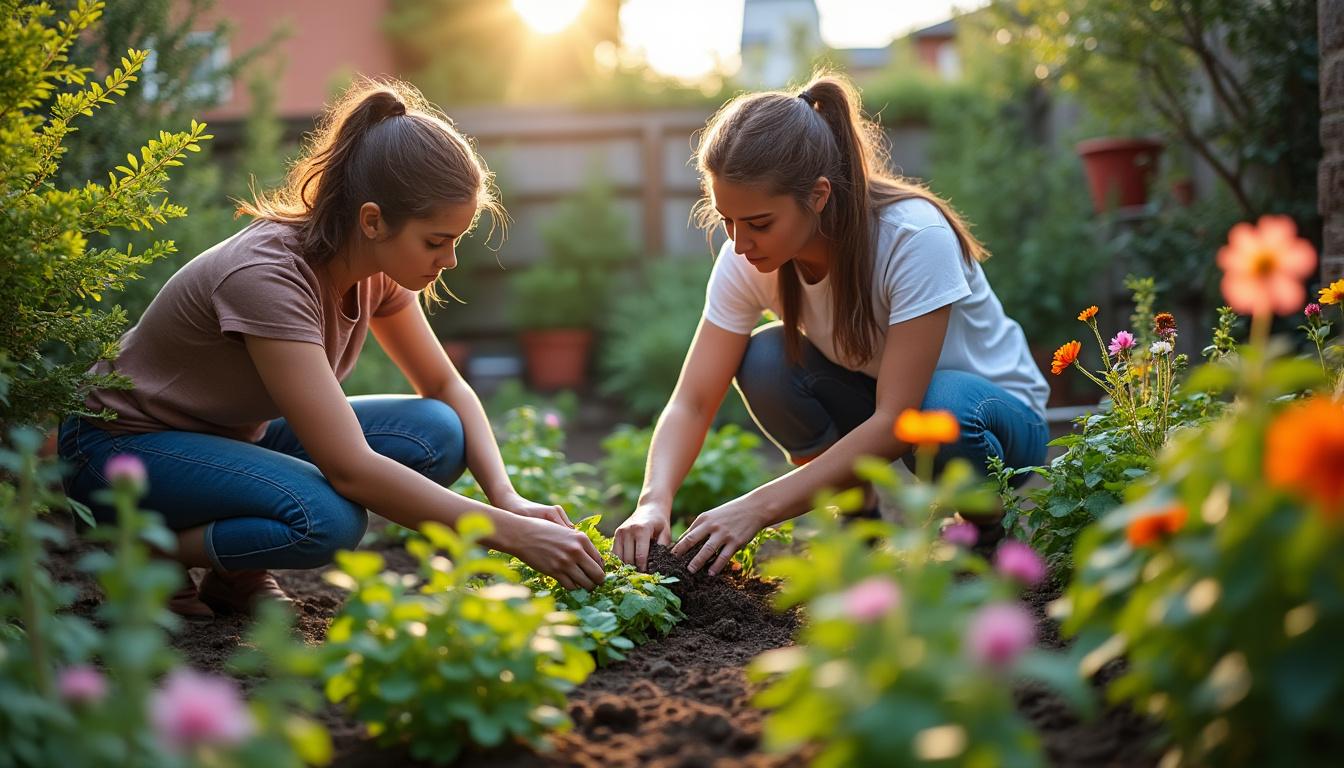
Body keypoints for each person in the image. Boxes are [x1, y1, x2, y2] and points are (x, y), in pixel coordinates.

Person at [58, 79, 605, 619]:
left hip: (226, 436)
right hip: (119, 448)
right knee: (326, 518)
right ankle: (148, 555)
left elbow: (443, 385)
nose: (449, 261)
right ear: (372, 220)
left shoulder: (377, 267)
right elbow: (349, 469)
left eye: (455, 241)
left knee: (438, 432)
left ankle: (231, 571)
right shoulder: (268, 276)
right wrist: (506, 534)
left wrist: (505, 498)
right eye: (436, 241)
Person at [612, 73, 1050, 576]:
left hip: (996, 423)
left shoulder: (911, 238)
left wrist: (757, 508)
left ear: (819, 195)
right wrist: (652, 500)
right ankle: (859, 519)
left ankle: (982, 531)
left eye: (758, 223)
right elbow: (692, 400)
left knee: (938, 405)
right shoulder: (746, 258)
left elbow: (896, 420)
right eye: (725, 220)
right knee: (765, 360)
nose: (738, 243)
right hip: (894, 408)